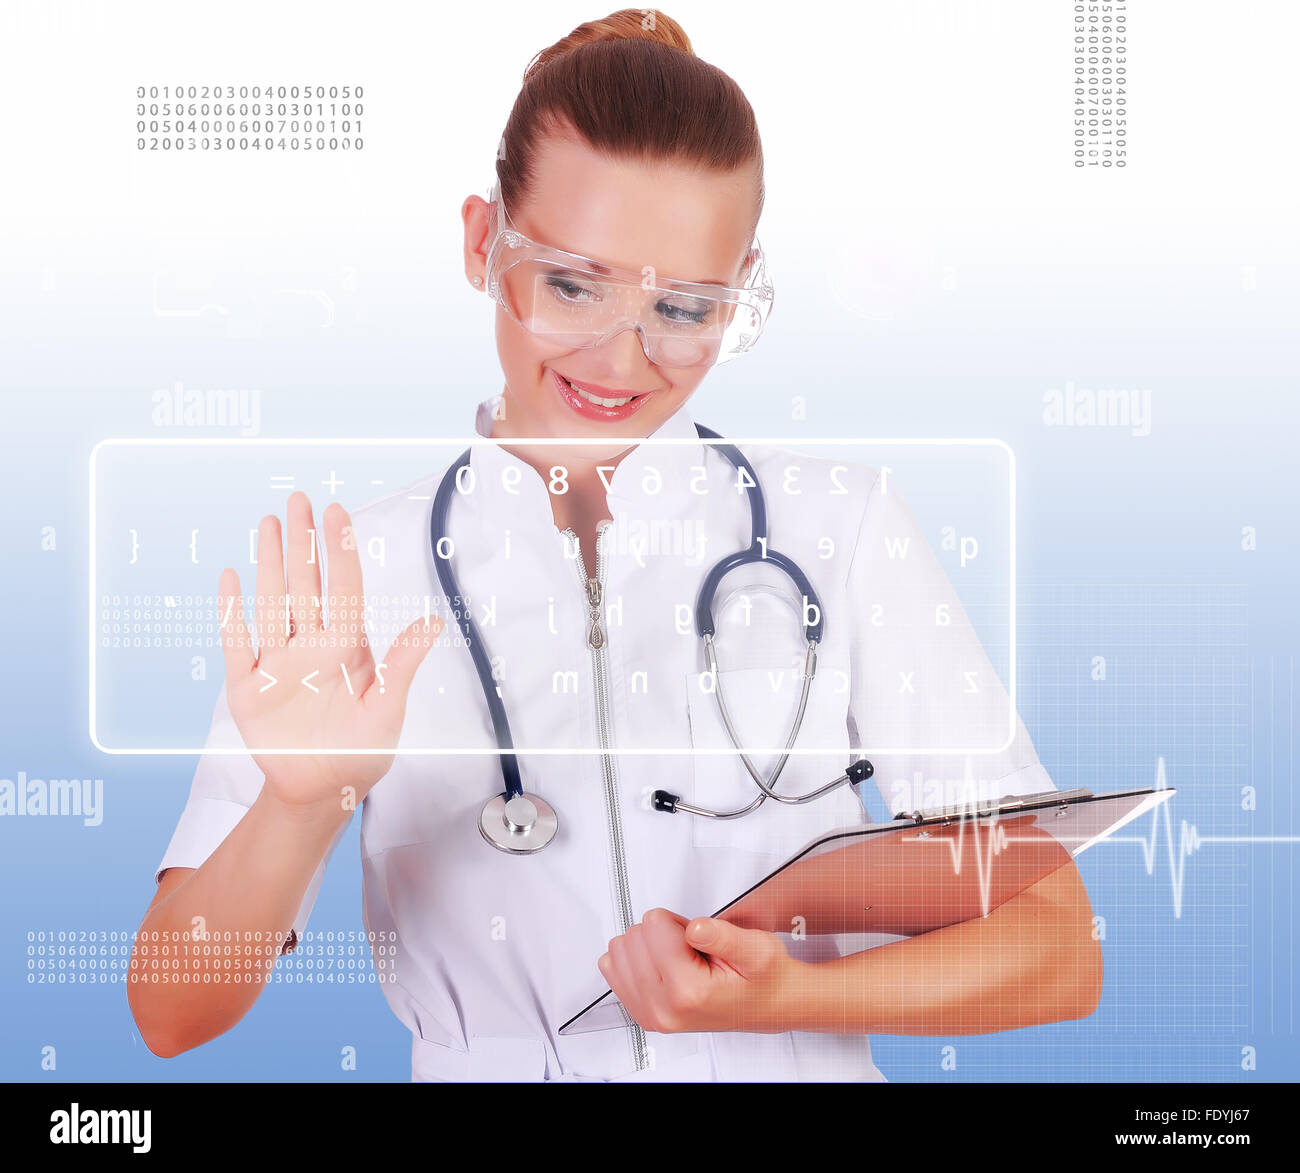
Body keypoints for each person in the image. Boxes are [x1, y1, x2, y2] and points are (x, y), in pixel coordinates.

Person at [127, 9, 1102, 1082]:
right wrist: (299, 804)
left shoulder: (840, 529)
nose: (622, 358)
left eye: (685, 306)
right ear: (479, 244)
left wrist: (794, 996)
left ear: (741, 291)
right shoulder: (358, 578)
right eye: (572, 285)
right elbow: (172, 1013)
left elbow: (1060, 949)